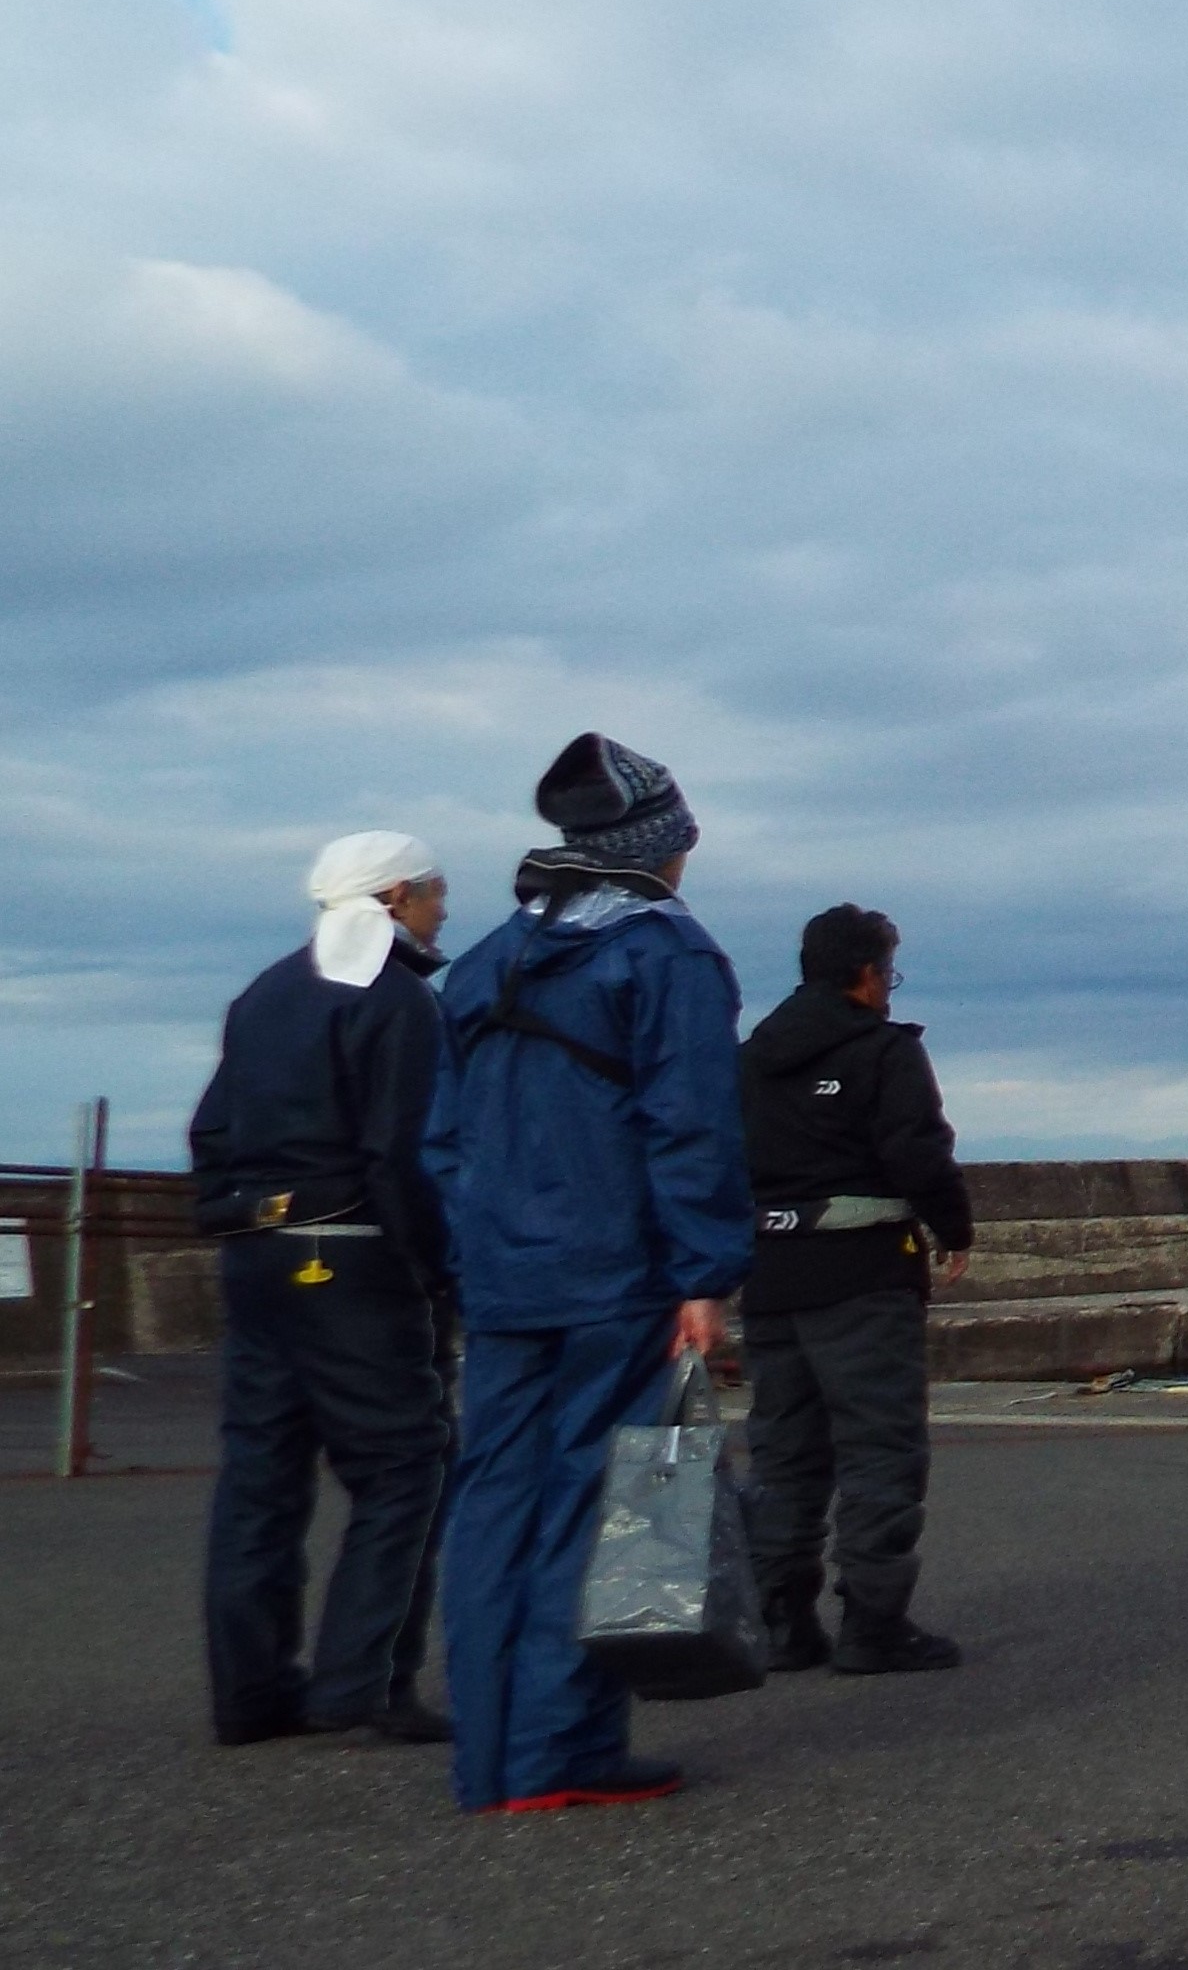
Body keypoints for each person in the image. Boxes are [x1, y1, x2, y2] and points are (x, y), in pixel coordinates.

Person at [421, 735, 752, 1814]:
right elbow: (689, 1125)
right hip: (615, 1274)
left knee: (491, 1507)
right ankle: (557, 1755)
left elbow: (440, 1142)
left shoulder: (484, 960)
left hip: (506, 1278)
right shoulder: (667, 954)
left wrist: (475, 1253)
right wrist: (704, 1276)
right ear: (664, 848)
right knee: (598, 1502)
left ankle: (491, 1758)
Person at [188, 830, 459, 1749]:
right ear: (392, 900)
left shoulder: (264, 993)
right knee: (402, 1466)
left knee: (260, 1475)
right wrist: (435, 1271)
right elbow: (402, 1156)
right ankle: (364, 1682)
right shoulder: (397, 1001)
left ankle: (250, 1696)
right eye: (432, 895)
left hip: (257, 1256)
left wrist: (230, 1211)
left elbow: (212, 1129)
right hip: (350, 1256)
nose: (442, 911)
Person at [736, 903, 969, 1675]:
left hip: (770, 1274)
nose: (891, 988)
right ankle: (873, 1624)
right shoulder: (884, 1052)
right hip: (862, 1275)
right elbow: (918, 1155)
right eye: (889, 972)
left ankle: (781, 1619)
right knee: (879, 1448)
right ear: (867, 975)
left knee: (784, 1452)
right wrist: (954, 1228)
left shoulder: (751, 1058)